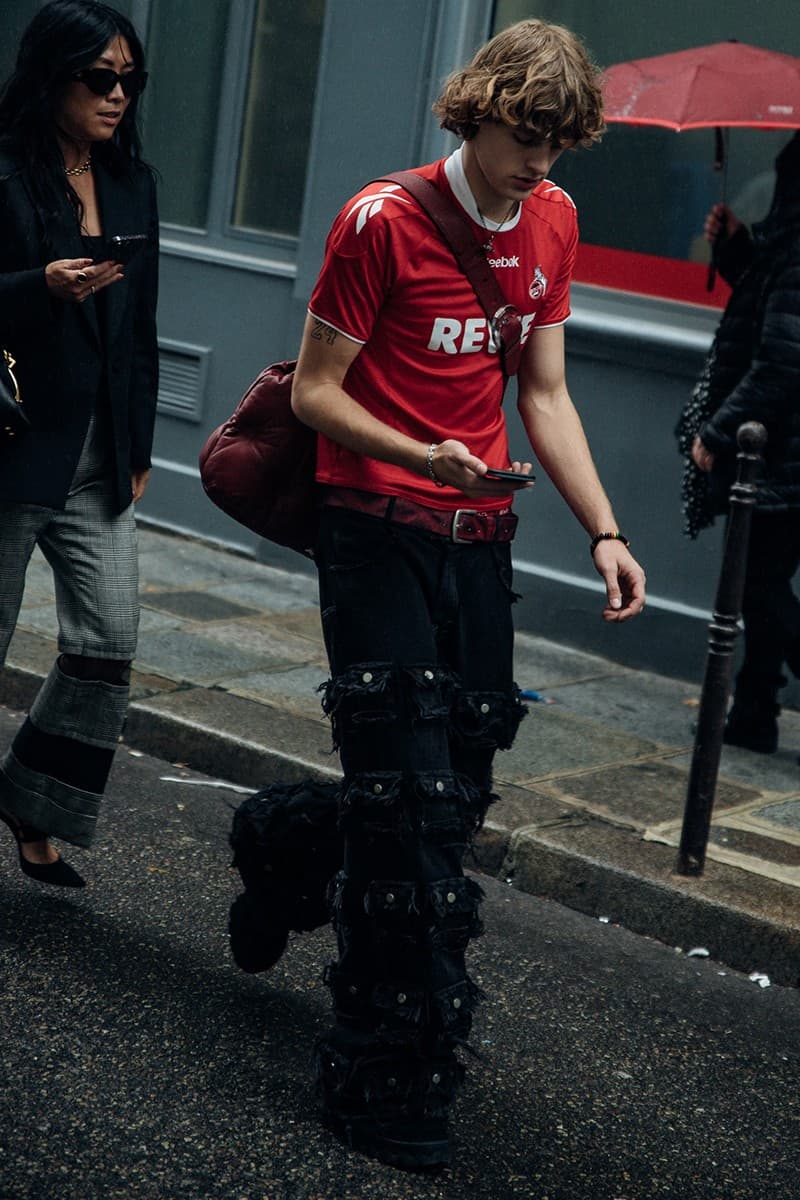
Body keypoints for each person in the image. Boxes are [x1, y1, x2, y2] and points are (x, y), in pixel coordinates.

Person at [232, 18, 645, 1173]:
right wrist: (420, 456)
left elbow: (545, 393)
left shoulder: (554, 222)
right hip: (374, 528)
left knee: (447, 796)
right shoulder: (383, 220)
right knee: (409, 817)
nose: (538, 167)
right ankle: (383, 1085)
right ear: (478, 113)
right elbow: (316, 394)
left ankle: (277, 844)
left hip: (479, 535)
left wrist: (604, 530)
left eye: (558, 148)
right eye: (524, 138)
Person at [0, 0, 158, 887]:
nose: (117, 95)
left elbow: (143, 324)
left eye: (129, 80)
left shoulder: (133, 183)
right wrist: (37, 287)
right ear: (50, 76)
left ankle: (35, 799)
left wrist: (135, 443)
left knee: (108, 640)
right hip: (13, 441)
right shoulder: (5, 177)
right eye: (99, 78)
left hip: (98, 453)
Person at [686, 132, 800, 754]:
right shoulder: (788, 241)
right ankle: (755, 715)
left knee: (757, 582)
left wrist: (718, 429)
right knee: (765, 578)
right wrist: (737, 248)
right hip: (784, 446)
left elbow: (784, 359)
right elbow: (772, 308)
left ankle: (756, 710)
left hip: (781, 447)